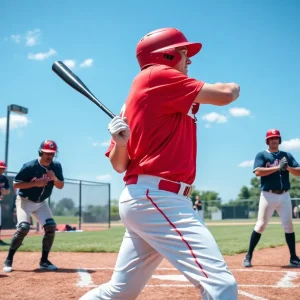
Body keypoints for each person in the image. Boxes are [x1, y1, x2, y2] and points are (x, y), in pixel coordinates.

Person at [79, 27, 240, 300]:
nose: (188, 59)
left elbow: (121, 166)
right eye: (183, 52)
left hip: (148, 198)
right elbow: (225, 94)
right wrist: (236, 86)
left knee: (120, 291)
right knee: (221, 287)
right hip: (158, 198)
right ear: (164, 55)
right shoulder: (157, 75)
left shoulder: (146, 92)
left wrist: (123, 143)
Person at [3, 140, 64, 273]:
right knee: (23, 228)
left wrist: (54, 178)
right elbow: (16, 184)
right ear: (41, 152)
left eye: (52, 154)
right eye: (47, 153)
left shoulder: (56, 166)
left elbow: (61, 185)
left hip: (41, 203)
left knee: (51, 227)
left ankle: (44, 261)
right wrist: (35, 184)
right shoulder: (29, 166)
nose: (50, 157)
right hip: (25, 201)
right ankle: (9, 259)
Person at [243, 129, 300, 268]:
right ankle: (248, 255)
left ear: (279, 140)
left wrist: (287, 168)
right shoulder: (262, 155)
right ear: (267, 141)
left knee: (288, 226)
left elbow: (298, 171)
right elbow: (257, 171)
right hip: (268, 195)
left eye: (276, 138)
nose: (274, 140)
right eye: (271, 138)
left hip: (284, 195)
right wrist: (277, 167)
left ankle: (293, 257)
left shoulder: (286, 155)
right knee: (261, 225)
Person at [0, 161, 11, 246]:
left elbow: (8, 191)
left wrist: (4, 191)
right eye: (0, 168)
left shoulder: (4, 179)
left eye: (3, 168)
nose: (2, 170)